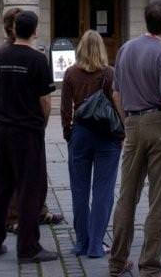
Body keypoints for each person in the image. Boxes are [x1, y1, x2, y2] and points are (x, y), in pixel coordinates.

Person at [109, 0, 161, 277]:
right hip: (160, 127)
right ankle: (150, 267)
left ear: (146, 20)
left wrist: (126, 119)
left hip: (131, 124)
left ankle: (117, 262)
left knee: (127, 196)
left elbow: (116, 93)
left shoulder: (125, 49)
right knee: (159, 199)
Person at [0, 10, 58, 263]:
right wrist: (41, 125)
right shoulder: (37, 60)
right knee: (29, 189)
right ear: (35, 30)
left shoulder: (1, 55)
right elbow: (45, 101)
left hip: (3, 130)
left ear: (14, 29)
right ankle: (28, 248)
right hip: (27, 132)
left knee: (0, 189)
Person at [61, 30, 123, 258]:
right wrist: (122, 133)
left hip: (80, 134)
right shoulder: (110, 73)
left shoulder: (70, 74)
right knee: (103, 191)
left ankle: (81, 243)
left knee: (79, 190)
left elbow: (65, 110)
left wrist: (69, 134)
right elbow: (118, 104)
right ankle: (96, 245)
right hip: (107, 136)